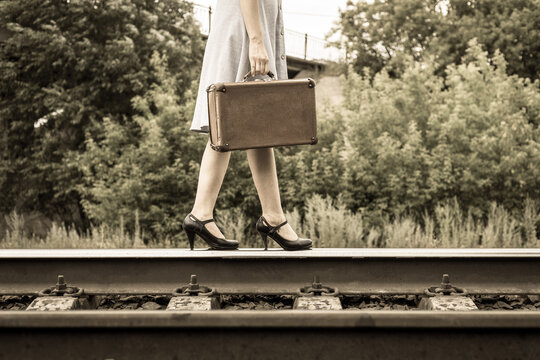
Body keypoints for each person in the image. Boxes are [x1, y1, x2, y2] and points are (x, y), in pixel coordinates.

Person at [182, 0, 312, 251]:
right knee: (233, 123)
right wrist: (256, 40)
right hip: (246, 34)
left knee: (254, 127)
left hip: (247, 30)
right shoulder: (253, 39)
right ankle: (207, 213)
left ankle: (264, 216)